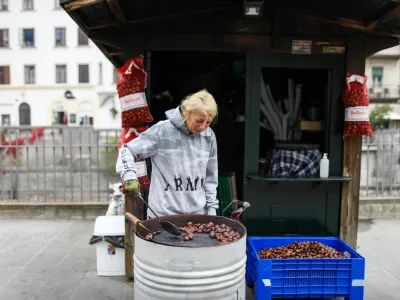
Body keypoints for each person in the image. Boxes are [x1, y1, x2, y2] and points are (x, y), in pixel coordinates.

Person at [116, 89, 219, 218]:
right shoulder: (162, 131)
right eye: (199, 121)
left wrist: (211, 208)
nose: (203, 127)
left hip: (197, 214)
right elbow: (127, 150)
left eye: (208, 122)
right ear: (186, 111)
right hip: (163, 216)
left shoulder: (208, 136)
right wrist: (129, 174)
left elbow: (211, 176)